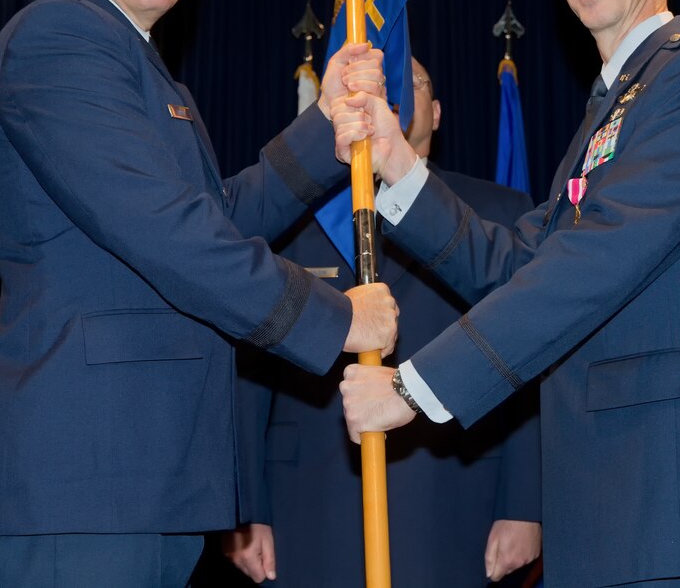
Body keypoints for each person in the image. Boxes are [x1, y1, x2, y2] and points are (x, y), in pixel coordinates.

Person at [0, 0, 398, 587]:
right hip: (89, 473)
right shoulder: (62, 40)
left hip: (140, 472)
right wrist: (335, 319)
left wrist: (324, 131)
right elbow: (169, 235)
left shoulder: (128, 56)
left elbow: (211, 218)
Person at [334, 0, 680, 587]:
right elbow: (520, 261)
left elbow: (599, 258)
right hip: (605, 511)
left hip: (677, 513)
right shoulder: (608, 111)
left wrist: (416, 388)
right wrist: (397, 165)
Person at [215, 57, 542, 587]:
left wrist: (525, 504)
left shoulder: (499, 214)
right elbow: (250, 362)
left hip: (455, 490)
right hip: (307, 493)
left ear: (435, 114)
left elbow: (528, 356)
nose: (389, 92)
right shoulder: (291, 211)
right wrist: (246, 508)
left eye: (410, 84)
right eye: (377, 80)